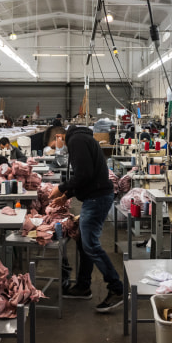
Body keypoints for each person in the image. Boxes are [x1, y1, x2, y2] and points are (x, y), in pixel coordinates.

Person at [50, 125, 123, 312]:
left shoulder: (76, 141)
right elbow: (86, 175)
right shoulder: (80, 139)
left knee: (90, 245)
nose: (57, 148)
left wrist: (62, 188)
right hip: (96, 195)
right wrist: (66, 196)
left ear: (59, 136)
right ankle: (83, 286)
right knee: (84, 242)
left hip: (97, 198)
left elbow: (84, 175)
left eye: (54, 144)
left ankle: (117, 288)